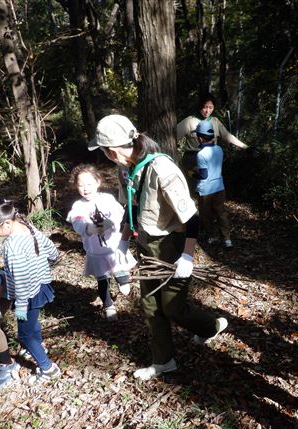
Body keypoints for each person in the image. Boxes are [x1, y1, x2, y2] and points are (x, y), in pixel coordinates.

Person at [88, 114, 228, 381]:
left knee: (173, 308)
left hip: (172, 246)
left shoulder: (162, 169)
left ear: (113, 150)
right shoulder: (125, 169)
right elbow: (130, 207)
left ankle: (211, 326)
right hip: (146, 246)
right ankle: (163, 361)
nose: (105, 155)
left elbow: (192, 218)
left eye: (104, 151)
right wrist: (124, 239)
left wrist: (186, 256)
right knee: (151, 307)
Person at [0, 197, 62, 385]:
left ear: (6, 223)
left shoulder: (12, 246)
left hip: (27, 295)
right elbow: (51, 251)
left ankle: (48, 368)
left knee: (24, 334)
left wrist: (21, 306)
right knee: (32, 324)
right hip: (40, 286)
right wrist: (44, 265)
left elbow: (21, 279)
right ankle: (37, 345)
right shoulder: (28, 227)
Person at [66, 163, 136, 320]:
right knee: (102, 280)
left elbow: (119, 212)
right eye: (81, 185)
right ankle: (108, 305)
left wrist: (110, 222)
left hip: (114, 247)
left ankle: (123, 280)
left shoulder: (107, 199)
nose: (86, 188)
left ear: (98, 182)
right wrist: (88, 228)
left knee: (120, 269)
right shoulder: (78, 206)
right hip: (95, 252)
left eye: (89, 184)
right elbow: (77, 223)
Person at [177, 93, 248, 192]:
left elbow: (228, 136)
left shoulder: (215, 121)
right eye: (205, 107)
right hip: (192, 160)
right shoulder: (189, 121)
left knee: (209, 191)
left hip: (211, 159)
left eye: (211, 107)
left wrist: (246, 147)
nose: (207, 111)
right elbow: (172, 137)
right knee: (191, 190)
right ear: (200, 106)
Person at [192, 120, 233, 248]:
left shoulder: (200, 154)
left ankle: (212, 236)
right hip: (219, 187)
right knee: (221, 213)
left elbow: (203, 175)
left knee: (206, 214)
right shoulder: (219, 149)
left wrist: (192, 173)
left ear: (200, 137)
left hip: (205, 190)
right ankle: (227, 239)